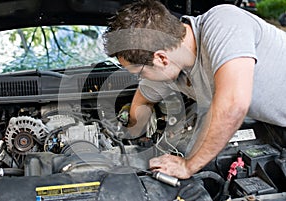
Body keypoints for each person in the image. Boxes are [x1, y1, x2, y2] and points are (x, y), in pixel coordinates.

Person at [103, 0, 286, 179]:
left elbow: (233, 104)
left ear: (161, 59)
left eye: (138, 72)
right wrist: (133, 134)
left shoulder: (224, 23)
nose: (140, 77)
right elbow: (144, 97)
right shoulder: (173, 64)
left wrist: (188, 165)